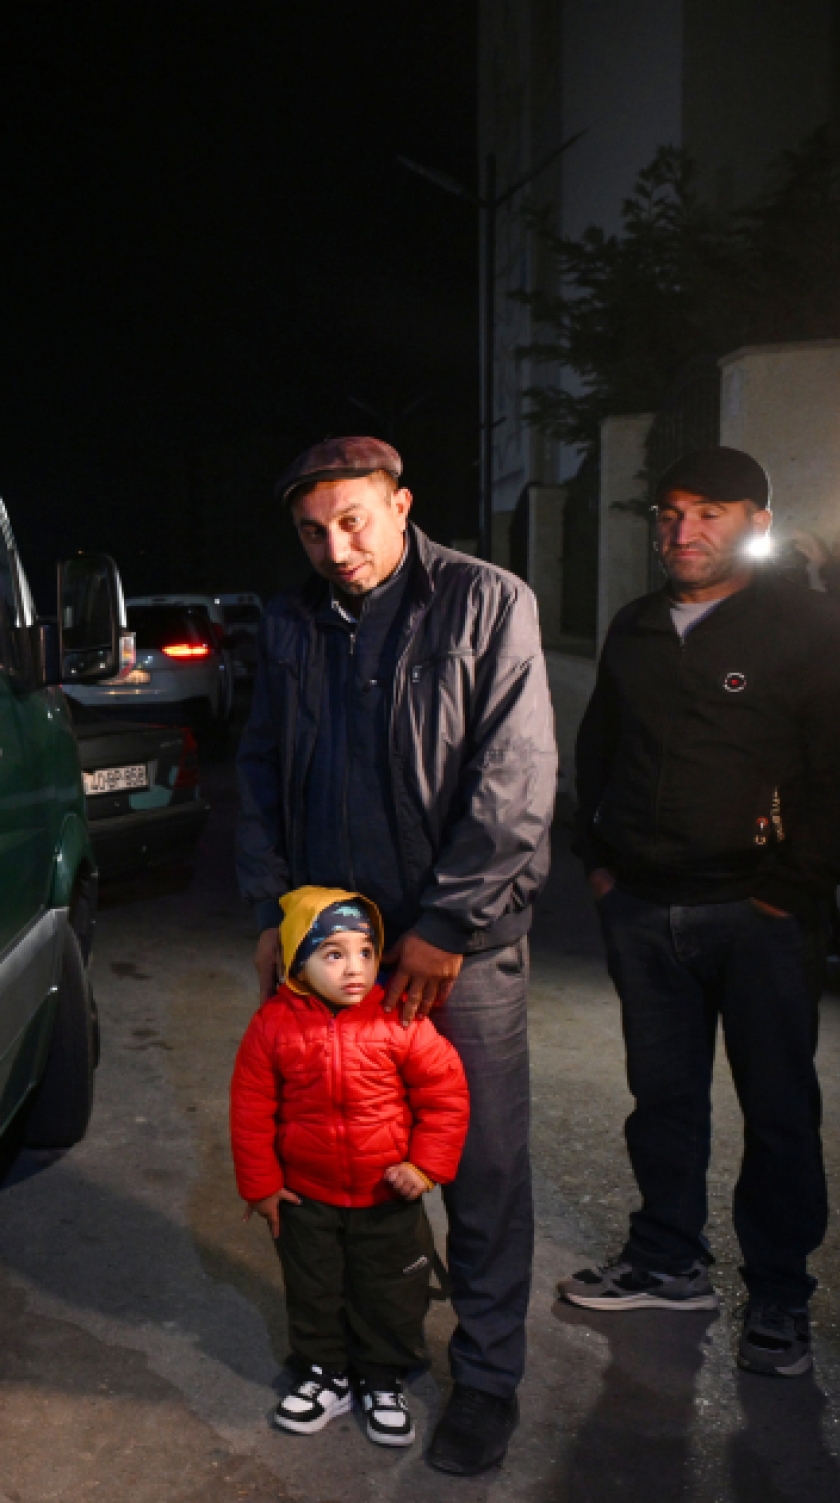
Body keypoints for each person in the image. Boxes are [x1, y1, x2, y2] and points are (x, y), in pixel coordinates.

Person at [236, 437, 556, 1473]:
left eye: (353, 521)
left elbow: (515, 777)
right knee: (344, 1156)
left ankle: (488, 1377)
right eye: (311, 531)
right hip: (337, 957)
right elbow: (258, 767)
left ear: (402, 505)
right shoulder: (290, 621)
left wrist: (447, 923)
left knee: (481, 1165)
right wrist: (270, 911)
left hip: (458, 951)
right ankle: (365, 1354)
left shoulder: (487, 602)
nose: (335, 549)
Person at [559, 446, 840, 1378]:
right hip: (643, 907)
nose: (682, 530)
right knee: (662, 1100)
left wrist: (791, 887)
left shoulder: (806, 627)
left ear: (756, 524)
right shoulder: (636, 625)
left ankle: (779, 1293)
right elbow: (598, 748)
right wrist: (600, 861)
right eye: (670, 513)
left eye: (708, 512)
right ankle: (668, 1260)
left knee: (778, 1111)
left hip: (758, 917)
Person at [230, 886, 469, 1446]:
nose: (355, 968)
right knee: (313, 1290)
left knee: (391, 1292)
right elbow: (250, 1110)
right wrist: (261, 1187)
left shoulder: (399, 1018)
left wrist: (425, 1168)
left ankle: (384, 1379)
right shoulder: (272, 1026)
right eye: (333, 954)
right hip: (305, 1197)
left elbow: (446, 1097)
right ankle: (324, 1375)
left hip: (387, 1197)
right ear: (297, 962)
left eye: (365, 951)